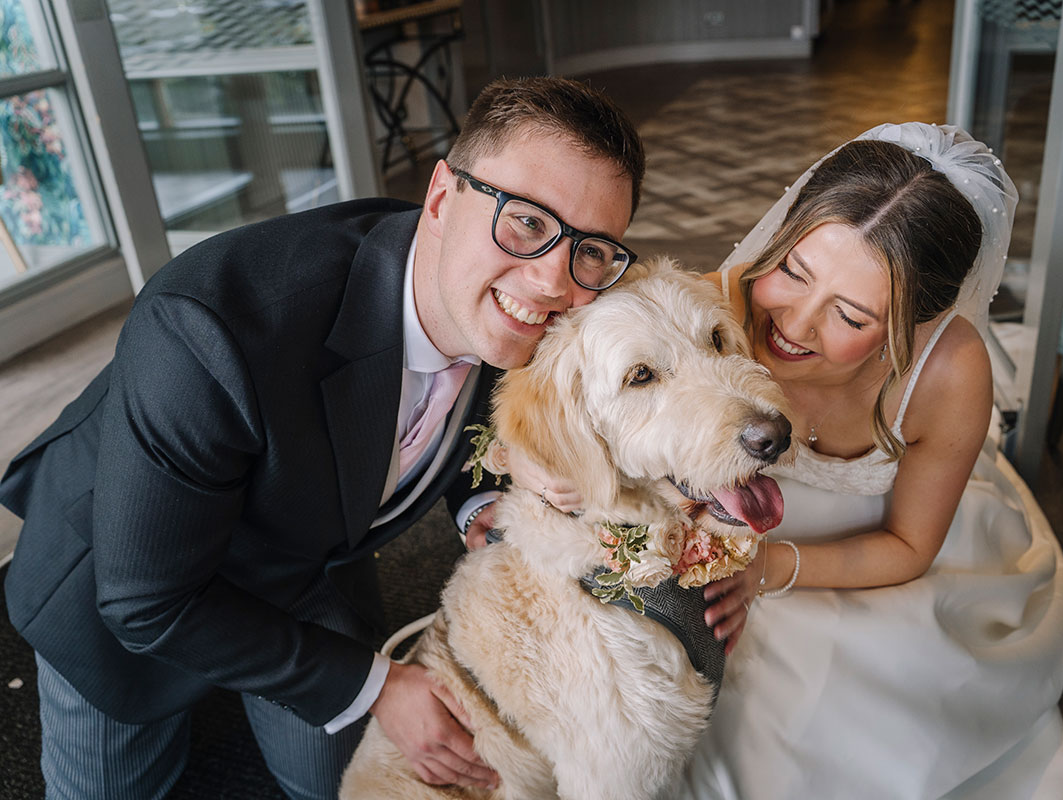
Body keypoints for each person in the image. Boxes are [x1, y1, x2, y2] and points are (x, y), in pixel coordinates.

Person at [0, 76, 644, 800]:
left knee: (345, 780)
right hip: (128, 584)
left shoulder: (505, 304)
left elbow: (484, 413)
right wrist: (380, 685)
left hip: (307, 552)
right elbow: (146, 601)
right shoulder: (206, 330)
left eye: (592, 249)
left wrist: (483, 505)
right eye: (526, 221)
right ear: (440, 198)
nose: (555, 280)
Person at [520, 123, 1063, 798]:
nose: (794, 325)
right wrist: (530, 465)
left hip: (872, 553)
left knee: (854, 699)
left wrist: (769, 569)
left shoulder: (950, 373)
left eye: (850, 316)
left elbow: (909, 545)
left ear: (915, 325)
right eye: (792, 270)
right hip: (732, 538)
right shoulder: (699, 315)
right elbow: (567, 384)